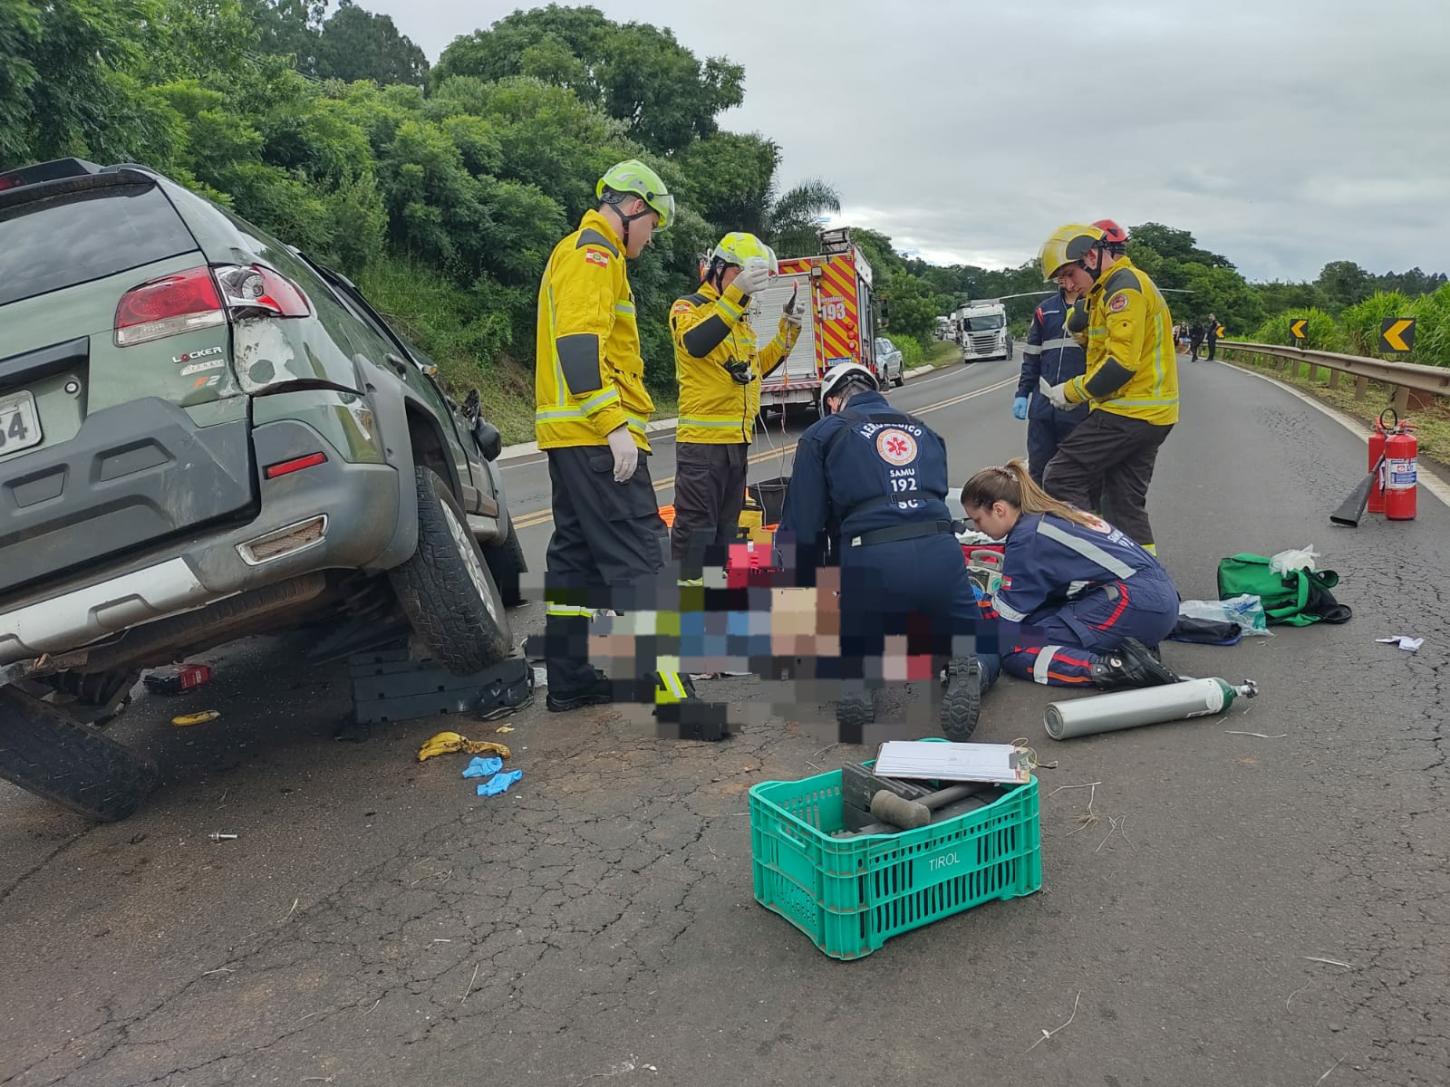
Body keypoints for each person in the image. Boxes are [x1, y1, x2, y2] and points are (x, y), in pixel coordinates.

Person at [533, 159, 710, 729]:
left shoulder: (583, 251)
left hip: (572, 438)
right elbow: (579, 345)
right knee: (643, 558)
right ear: (632, 207)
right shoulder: (594, 254)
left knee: (575, 559)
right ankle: (670, 696)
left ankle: (569, 681)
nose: (652, 236)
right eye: (653, 224)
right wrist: (612, 423)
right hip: (594, 436)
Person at [778, 362, 1000, 742]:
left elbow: (803, 526)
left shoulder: (824, 434)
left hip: (872, 563)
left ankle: (857, 676)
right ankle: (970, 667)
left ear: (832, 400)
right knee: (979, 639)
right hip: (941, 558)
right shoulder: (925, 431)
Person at [959, 460, 1179, 689]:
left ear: (999, 509)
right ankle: (1131, 646)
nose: (976, 529)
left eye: (977, 519)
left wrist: (963, 612)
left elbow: (1006, 616)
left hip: (1134, 602)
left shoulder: (1028, 538)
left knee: (1015, 646)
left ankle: (1118, 669)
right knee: (1038, 622)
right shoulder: (1048, 514)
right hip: (1152, 599)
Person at [1037, 221, 1180, 554]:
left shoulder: (1123, 288)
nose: (1068, 285)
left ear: (1092, 256)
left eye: (1070, 274)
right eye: (1062, 280)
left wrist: (1070, 392)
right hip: (1149, 412)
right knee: (1123, 503)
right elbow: (1099, 348)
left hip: (1130, 409)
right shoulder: (1103, 292)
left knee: (1062, 475)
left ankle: (1089, 558)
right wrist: (1078, 321)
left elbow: (1121, 364)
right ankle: (1146, 579)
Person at [668, 232, 802, 580]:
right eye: (740, 274)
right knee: (695, 532)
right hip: (701, 448)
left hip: (735, 445)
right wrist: (735, 296)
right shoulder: (690, 308)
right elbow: (697, 343)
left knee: (725, 534)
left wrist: (790, 329)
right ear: (719, 269)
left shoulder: (738, 319)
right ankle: (687, 609)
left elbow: (758, 367)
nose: (747, 285)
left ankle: (715, 602)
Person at [1012, 284, 1089, 487]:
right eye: (1061, 275)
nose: (1066, 280)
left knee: (1076, 471)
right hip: (1044, 405)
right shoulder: (1044, 310)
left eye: (1070, 273)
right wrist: (1023, 392)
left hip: (1079, 404)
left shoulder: (1095, 308)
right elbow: (1032, 356)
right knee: (1039, 468)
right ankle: (1040, 515)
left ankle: (1076, 516)